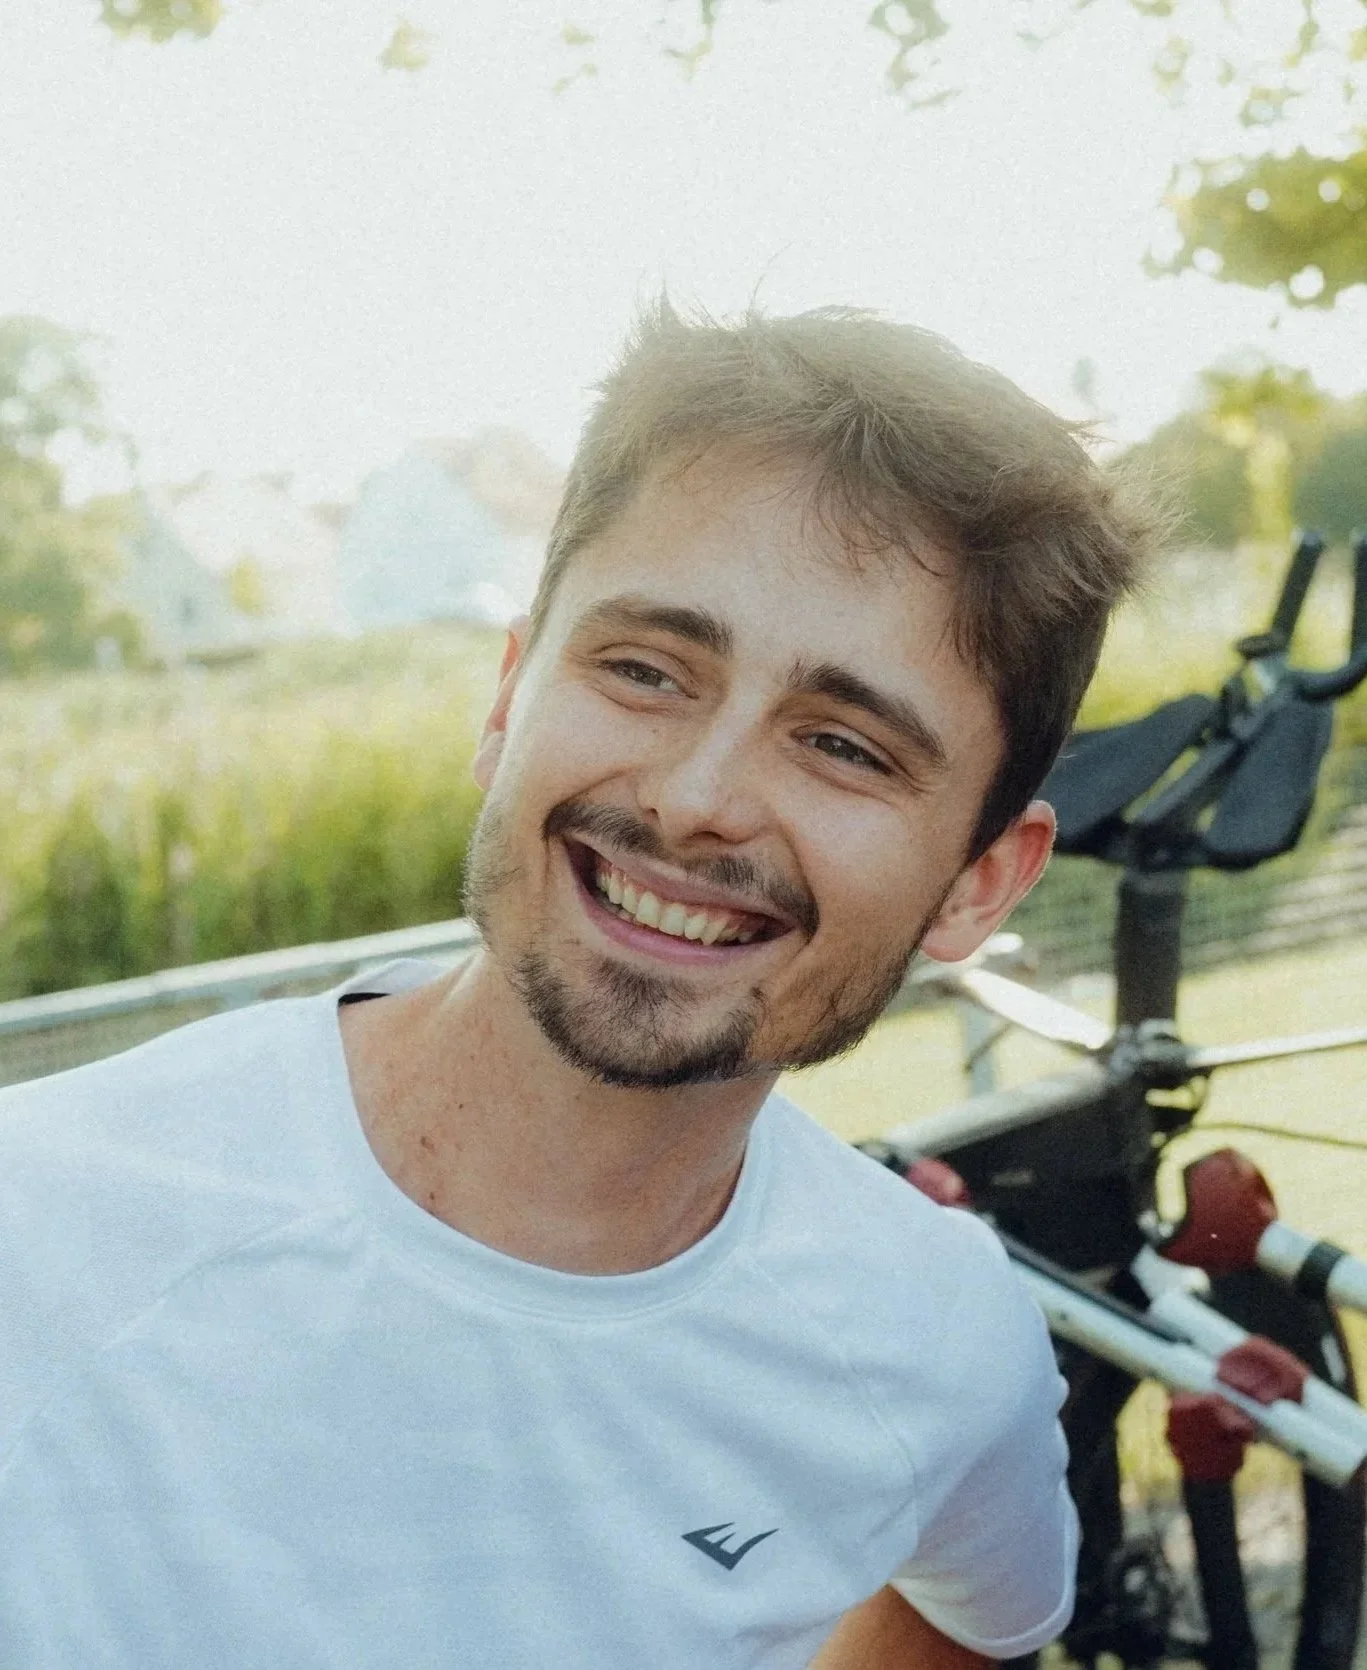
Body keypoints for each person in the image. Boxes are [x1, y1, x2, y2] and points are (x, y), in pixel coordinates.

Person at [0, 302, 1165, 1668]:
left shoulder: (937, 1344)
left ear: (982, 878)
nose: (696, 797)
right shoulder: (46, 1224)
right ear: (508, 699)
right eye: (644, 668)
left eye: (845, 745)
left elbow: (973, 1621)